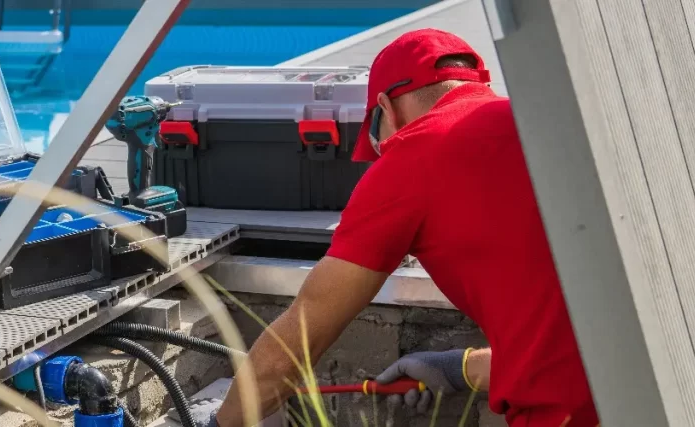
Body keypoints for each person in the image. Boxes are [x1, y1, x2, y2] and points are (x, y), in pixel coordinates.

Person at [202, 29, 600, 427]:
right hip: (647, 388)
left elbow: (297, 343)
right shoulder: (546, 124)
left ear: (385, 109)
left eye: (376, 140)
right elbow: (572, 335)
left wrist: (220, 423)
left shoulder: (412, 155)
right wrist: (460, 368)